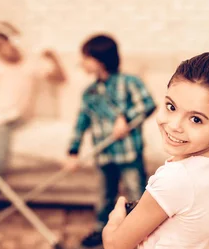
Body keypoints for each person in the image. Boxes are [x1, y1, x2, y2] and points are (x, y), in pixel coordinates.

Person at [103, 52, 209, 249]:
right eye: (171, 107)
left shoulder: (175, 178)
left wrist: (114, 221)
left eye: (196, 119)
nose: (174, 125)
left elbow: (116, 245)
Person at [63, 34, 156, 248]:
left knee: (136, 192)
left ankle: (142, 231)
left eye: (85, 58)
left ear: (100, 59)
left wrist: (126, 118)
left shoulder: (129, 83)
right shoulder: (90, 93)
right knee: (105, 196)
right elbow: (81, 123)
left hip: (129, 153)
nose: (82, 63)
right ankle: (100, 230)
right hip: (104, 155)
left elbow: (149, 103)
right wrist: (73, 151)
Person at [0, 21, 66, 210]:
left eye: (1, 44)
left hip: (15, 115)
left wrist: (53, 57)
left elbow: (60, 78)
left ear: (14, 41)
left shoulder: (31, 65)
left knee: (1, 132)